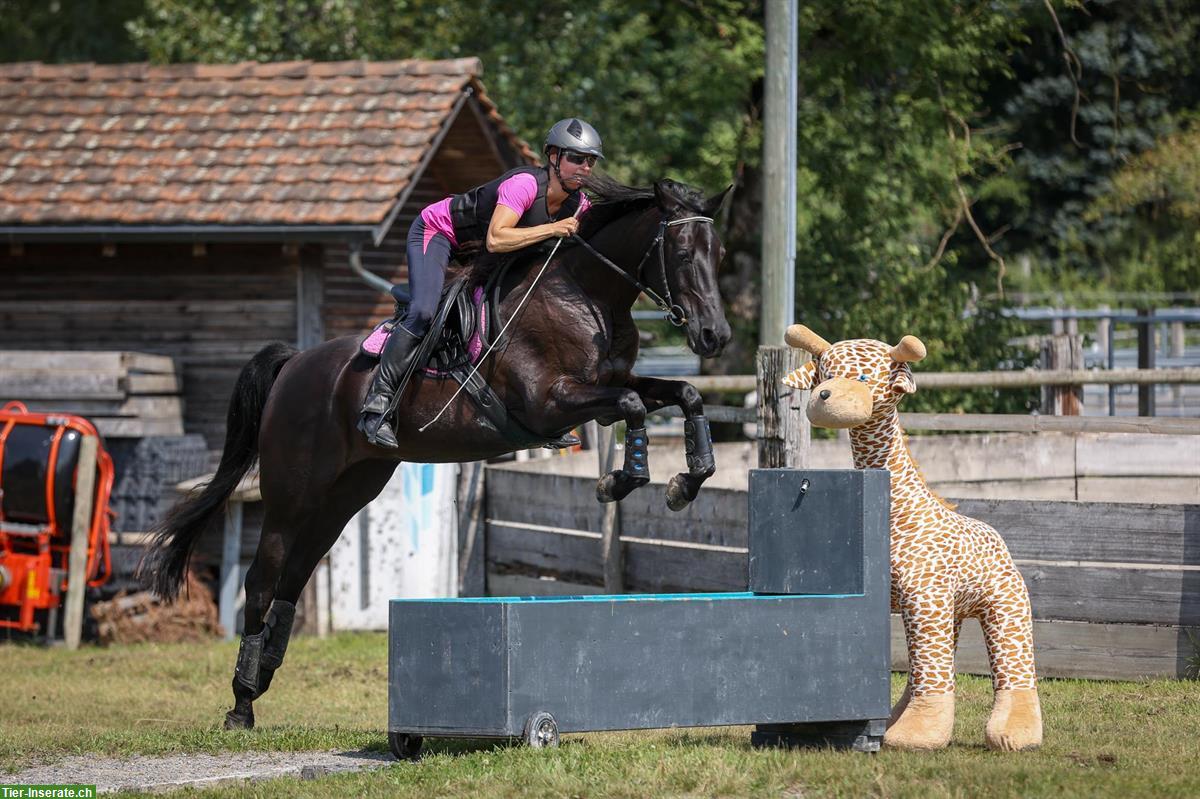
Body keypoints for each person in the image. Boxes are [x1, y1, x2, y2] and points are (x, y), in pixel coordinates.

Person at [359, 118, 604, 448]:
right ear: (553, 156)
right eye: (576, 158)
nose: (584, 167)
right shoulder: (524, 185)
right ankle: (377, 405)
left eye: (590, 161)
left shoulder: (580, 205)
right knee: (424, 312)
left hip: (485, 254)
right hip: (441, 233)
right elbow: (497, 238)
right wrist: (551, 229)